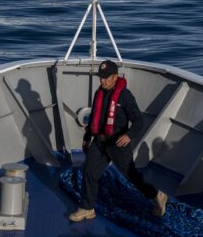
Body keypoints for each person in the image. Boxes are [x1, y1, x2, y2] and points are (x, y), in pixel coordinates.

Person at [69, 60, 168, 222]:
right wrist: (87, 139)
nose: (102, 81)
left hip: (118, 144)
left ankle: (157, 195)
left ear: (115, 77)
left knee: (132, 176)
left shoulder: (125, 96)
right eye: (101, 77)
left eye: (106, 77)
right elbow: (94, 117)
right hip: (99, 141)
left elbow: (139, 121)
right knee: (89, 171)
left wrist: (129, 135)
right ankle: (87, 208)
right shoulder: (99, 93)